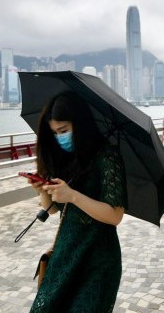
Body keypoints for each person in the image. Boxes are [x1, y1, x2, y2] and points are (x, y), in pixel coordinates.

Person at [27, 91, 127, 312]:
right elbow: (52, 210)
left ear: (80, 124)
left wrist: (72, 195)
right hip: (66, 252)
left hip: (98, 259)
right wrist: (43, 190)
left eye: (63, 131)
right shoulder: (63, 158)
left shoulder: (107, 156)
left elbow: (115, 215)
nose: (59, 137)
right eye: (54, 133)